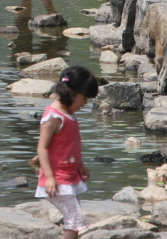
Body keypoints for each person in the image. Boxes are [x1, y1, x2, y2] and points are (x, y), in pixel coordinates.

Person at [36, 66, 100, 239]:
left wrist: (81, 165)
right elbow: (42, 148)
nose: (85, 103)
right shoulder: (53, 117)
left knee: (73, 221)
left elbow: (70, 145)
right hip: (57, 179)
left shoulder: (69, 113)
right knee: (75, 220)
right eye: (84, 98)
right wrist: (49, 177)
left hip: (69, 176)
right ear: (71, 92)